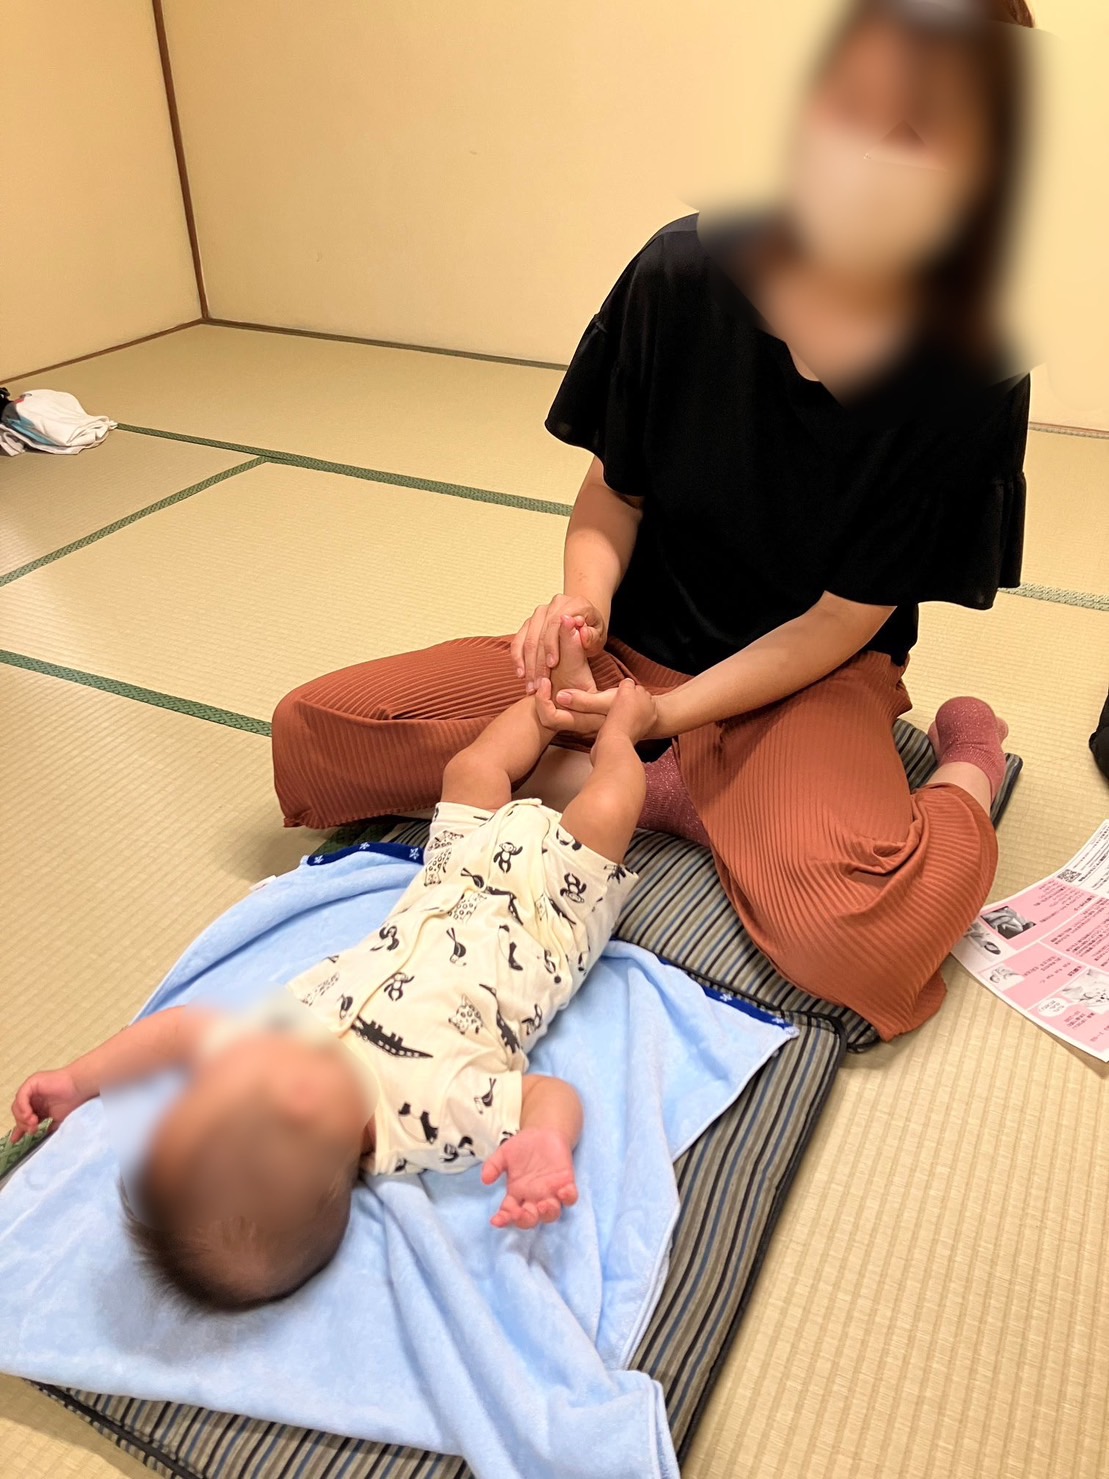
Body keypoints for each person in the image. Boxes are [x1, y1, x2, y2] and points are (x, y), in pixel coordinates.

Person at [271, 0, 1036, 1041]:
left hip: (808, 677)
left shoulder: (970, 356)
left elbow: (841, 618)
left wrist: (665, 721)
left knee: (858, 937)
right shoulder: (684, 269)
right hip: (627, 657)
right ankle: (660, 785)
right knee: (315, 733)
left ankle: (964, 763)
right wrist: (580, 612)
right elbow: (614, 491)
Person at [9, 633, 654, 1311]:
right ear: (297, 1102)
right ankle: (621, 733)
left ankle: (557, 705)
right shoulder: (433, 1118)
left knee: (471, 770)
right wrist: (544, 1140)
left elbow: (175, 1032)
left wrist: (78, 1078)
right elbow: (547, 1095)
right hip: (548, 912)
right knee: (606, 807)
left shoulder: (273, 1053)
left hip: (449, 876)